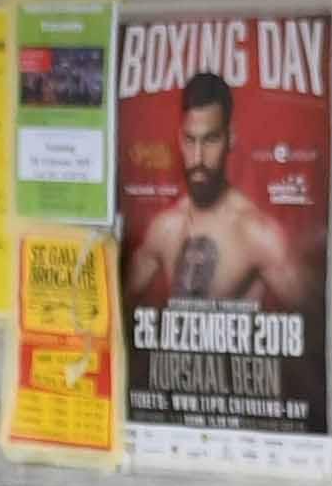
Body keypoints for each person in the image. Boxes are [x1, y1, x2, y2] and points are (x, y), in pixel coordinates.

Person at [128, 69, 307, 311]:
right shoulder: (165, 228)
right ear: (180, 140)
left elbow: (315, 328)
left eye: (210, 139)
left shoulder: (257, 234)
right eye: (191, 140)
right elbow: (117, 310)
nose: (198, 157)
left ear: (230, 138)